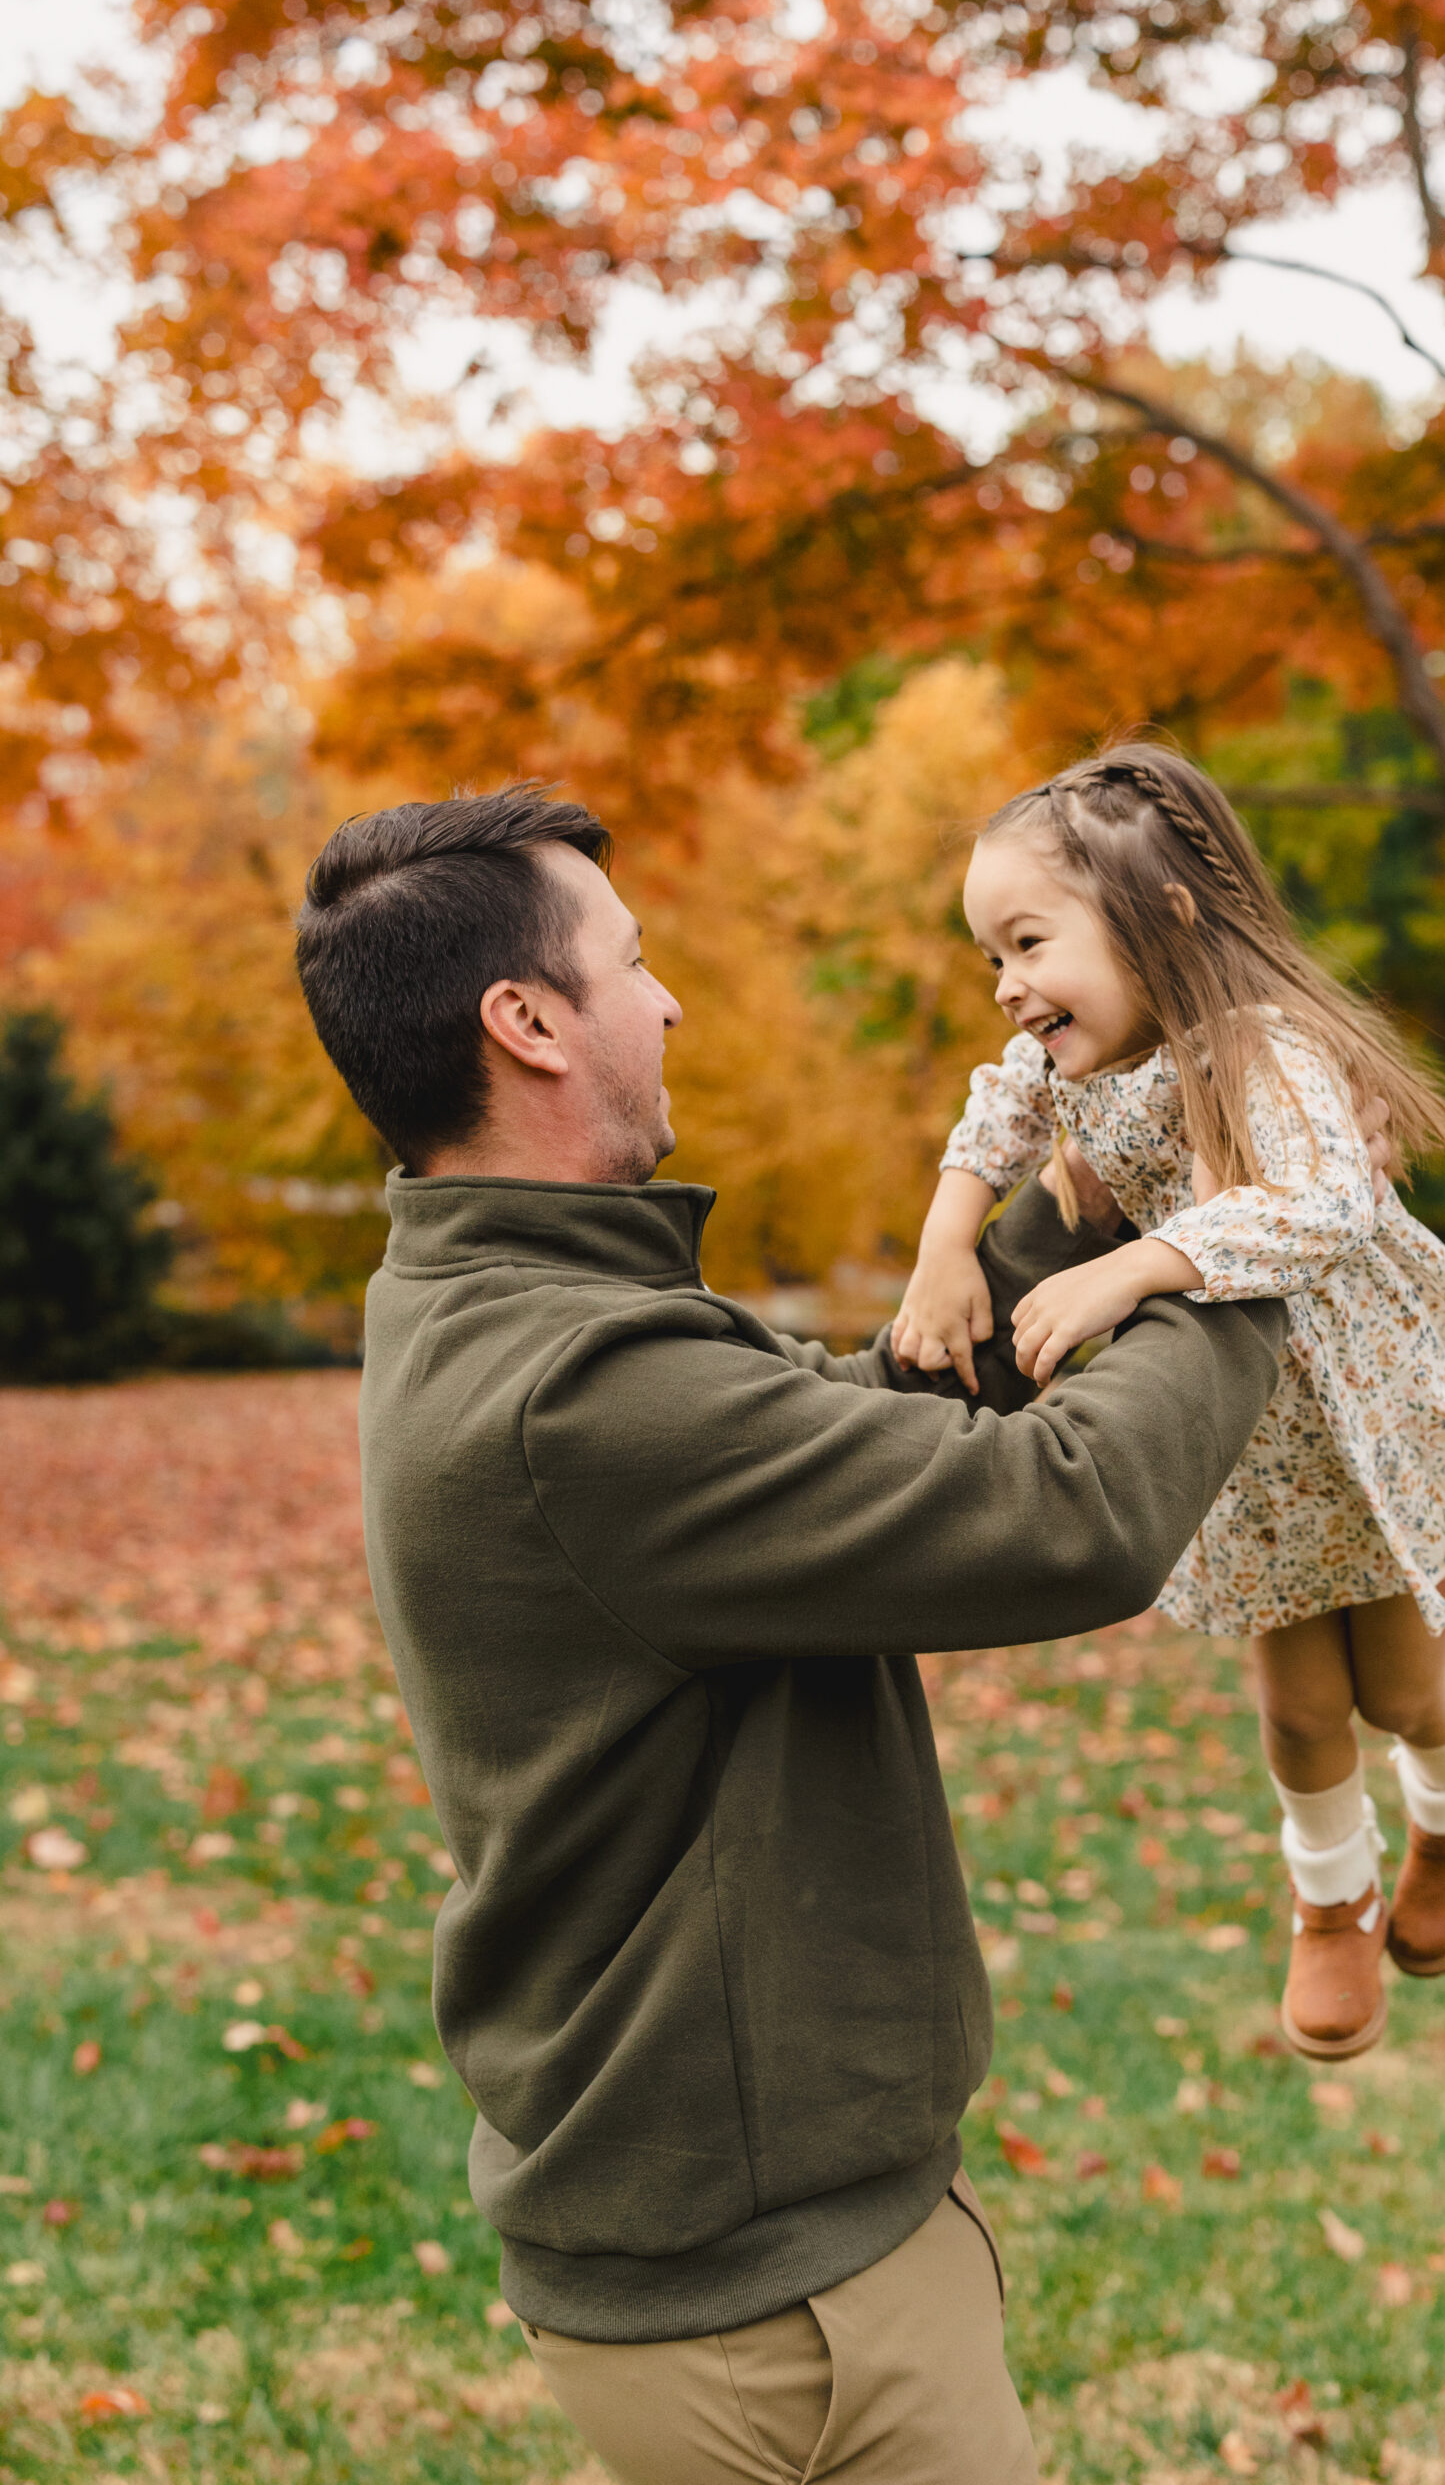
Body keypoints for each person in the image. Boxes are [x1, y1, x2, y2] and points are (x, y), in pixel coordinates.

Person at [297, 780, 1360, 2485]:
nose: (670, 1003)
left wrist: (1075, 1222)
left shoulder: (515, 1307)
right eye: (633, 965)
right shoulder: (581, 1388)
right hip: (771, 2308)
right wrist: (1235, 1242)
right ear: (529, 1022)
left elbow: (852, 1429)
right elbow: (1065, 1514)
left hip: (759, 2245)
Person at [895, 743, 1445, 2064]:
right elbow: (993, 1118)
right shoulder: (1071, 1071)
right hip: (1239, 1444)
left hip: (1345, 1419)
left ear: (1159, 918)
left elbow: (1321, 1205)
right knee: (1294, 1714)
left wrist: (1134, 1264)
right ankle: (1330, 1900)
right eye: (989, 955)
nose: (1007, 988)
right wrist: (947, 1248)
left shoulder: (1263, 1046)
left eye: (1028, 943)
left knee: (1397, 1691)